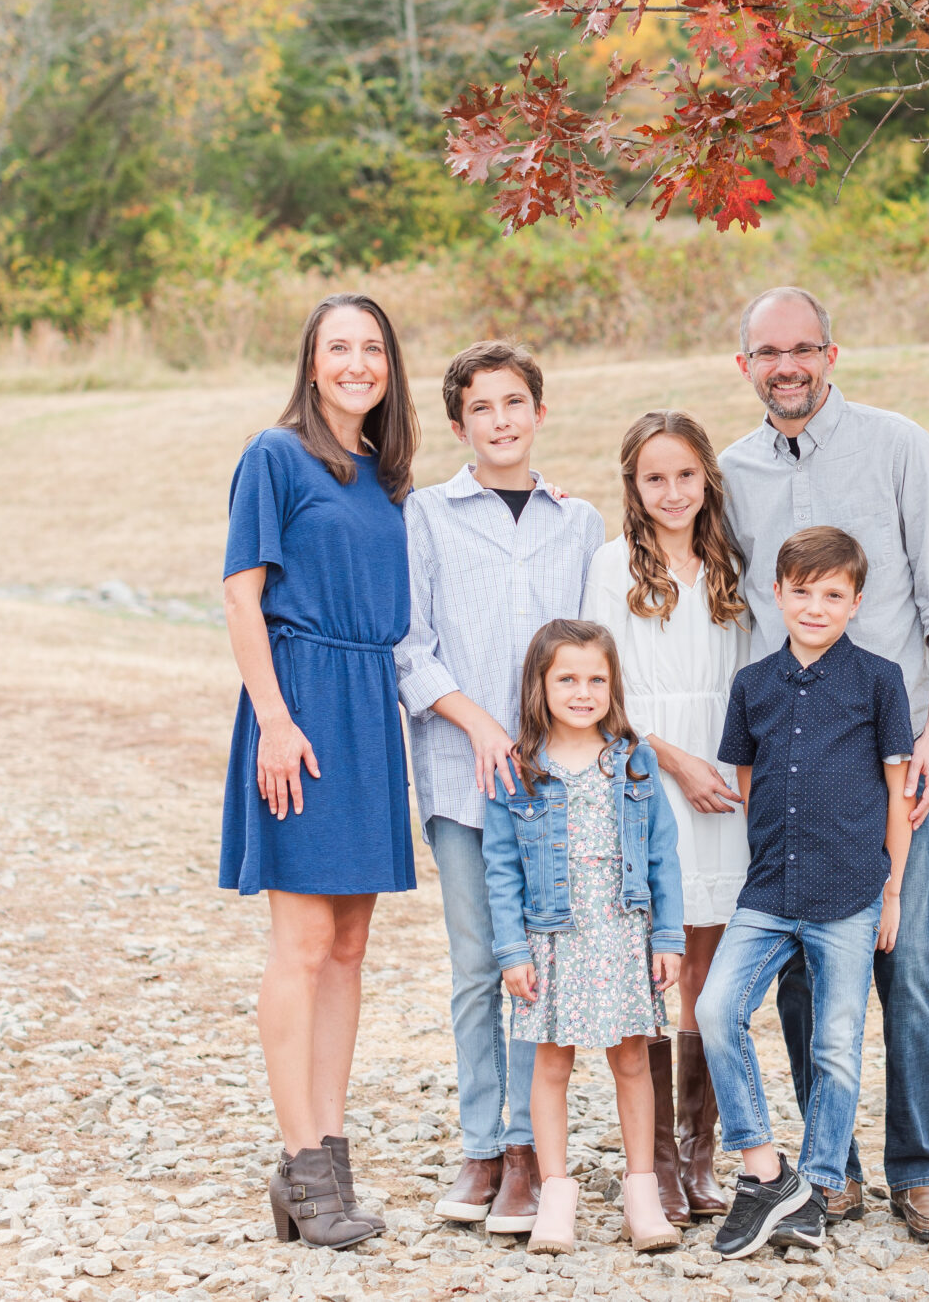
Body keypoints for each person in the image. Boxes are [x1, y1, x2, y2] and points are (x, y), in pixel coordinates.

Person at [719, 287, 929, 1242]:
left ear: (833, 353)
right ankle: (836, 1173)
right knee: (797, 975)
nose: (787, 365)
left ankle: (918, 1168)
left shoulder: (899, 446)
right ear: (743, 365)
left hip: (888, 764)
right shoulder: (730, 471)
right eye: (767, 352)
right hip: (784, 769)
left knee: (904, 963)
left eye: (803, 348)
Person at [218, 293, 419, 1250]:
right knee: (300, 942)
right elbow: (241, 594)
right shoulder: (273, 455)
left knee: (349, 947)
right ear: (311, 362)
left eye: (372, 347)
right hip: (298, 700)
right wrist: (273, 719)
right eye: (338, 346)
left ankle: (329, 1157)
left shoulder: (386, 474)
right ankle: (301, 1166)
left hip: (367, 706)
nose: (356, 362)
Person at [394, 341, 604, 1235]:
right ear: (458, 425)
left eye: (515, 402)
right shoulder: (428, 514)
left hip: (556, 787)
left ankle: (529, 1148)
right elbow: (408, 642)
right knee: (479, 964)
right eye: (482, 408)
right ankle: (483, 1143)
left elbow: (595, 650)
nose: (502, 420)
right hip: (460, 774)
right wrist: (479, 722)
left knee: (540, 968)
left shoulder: (579, 520)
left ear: (540, 412)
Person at [696, 526, 914, 1260]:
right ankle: (765, 1169)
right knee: (716, 1008)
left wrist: (891, 893)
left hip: (851, 891)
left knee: (837, 1045)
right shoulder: (753, 684)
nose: (815, 606)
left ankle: (816, 1190)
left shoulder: (880, 680)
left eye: (832, 594)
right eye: (801, 591)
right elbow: (752, 785)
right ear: (779, 593)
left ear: (855, 601)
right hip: (769, 889)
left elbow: (896, 792)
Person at [582, 410, 758, 1222]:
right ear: (633, 486)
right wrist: (676, 761)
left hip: (725, 786)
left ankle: (700, 1155)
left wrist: (735, 771)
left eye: (686, 474)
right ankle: (650, 1159)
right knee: (654, 970)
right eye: (655, 477)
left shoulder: (732, 564)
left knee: (710, 975)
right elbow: (601, 693)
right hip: (651, 780)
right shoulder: (613, 565)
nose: (673, 491)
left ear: (707, 478)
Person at [484, 620, 688, 1255]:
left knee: (632, 1058)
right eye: (566, 678)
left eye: (596, 679)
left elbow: (663, 855)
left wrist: (668, 936)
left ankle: (642, 1193)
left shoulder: (634, 761)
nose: (582, 691)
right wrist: (513, 952)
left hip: (624, 932)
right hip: (553, 938)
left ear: (613, 685)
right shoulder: (520, 769)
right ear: (539, 686)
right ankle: (555, 1195)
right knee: (551, 1063)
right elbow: (500, 868)